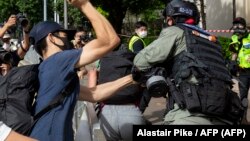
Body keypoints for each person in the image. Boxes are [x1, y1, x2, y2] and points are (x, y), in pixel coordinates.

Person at [28, 0, 137, 140]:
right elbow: (111, 40)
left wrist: (132, 78)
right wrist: (84, 4)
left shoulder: (50, 69)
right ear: (51, 38)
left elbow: (94, 94)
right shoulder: (58, 61)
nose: (69, 38)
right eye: (64, 35)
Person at [132, 0, 243, 125]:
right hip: (225, 113)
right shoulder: (213, 41)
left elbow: (141, 61)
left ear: (170, 20)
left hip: (190, 113)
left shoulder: (175, 31)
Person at [94, 44, 146, 141]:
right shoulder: (133, 62)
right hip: (131, 112)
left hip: (106, 114)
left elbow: (92, 82)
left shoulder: (103, 60)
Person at [229, 17, 250, 123]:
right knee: (243, 97)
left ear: (244, 26)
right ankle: (243, 119)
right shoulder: (235, 37)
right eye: (235, 25)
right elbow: (234, 52)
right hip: (243, 72)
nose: (237, 27)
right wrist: (232, 63)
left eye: (239, 25)